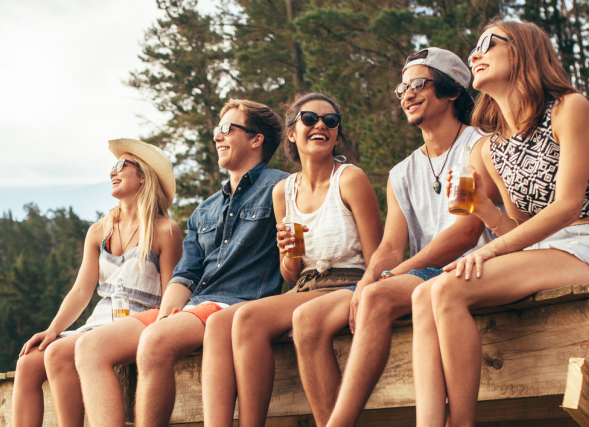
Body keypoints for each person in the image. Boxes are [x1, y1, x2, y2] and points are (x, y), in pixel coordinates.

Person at [412, 21, 589, 427]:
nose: (476, 54)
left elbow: (566, 207)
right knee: (425, 295)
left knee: (447, 288)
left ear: (525, 51)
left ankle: (461, 422)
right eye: (474, 47)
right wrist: (483, 210)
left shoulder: (569, 108)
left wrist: (487, 249)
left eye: (489, 44)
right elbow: (520, 230)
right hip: (544, 252)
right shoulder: (489, 149)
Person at [290, 48, 500, 427]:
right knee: (357, 297)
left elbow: (467, 231)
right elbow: (388, 246)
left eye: (418, 83)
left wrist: (392, 276)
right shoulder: (402, 172)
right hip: (423, 280)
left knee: (378, 294)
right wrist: (369, 278)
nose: (406, 93)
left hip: (476, 267)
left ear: (452, 91)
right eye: (401, 87)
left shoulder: (478, 146)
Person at [74, 99, 288, 427]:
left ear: (256, 139)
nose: (218, 135)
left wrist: (161, 329)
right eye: (217, 129)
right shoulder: (205, 210)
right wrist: (163, 318)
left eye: (228, 128)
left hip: (238, 305)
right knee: (91, 346)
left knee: (154, 341)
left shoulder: (281, 188)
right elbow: (184, 275)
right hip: (194, 306)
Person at [200, 93, 382, 427]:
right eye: (310, 119)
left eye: (331, 121)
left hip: (348, 284)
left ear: (337, 134)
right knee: (228, 321)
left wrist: (366, 295)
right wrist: (289, 252)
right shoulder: (284, 191)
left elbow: (378, 258)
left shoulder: (350, 179)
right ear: (292, 133)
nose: (321, 126)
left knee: (289, 318)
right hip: (305, 286)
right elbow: (290, 273)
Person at [10, 138, 182, 427]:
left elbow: (172, 291)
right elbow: (80, 291)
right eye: (111, 167)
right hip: (99, 322)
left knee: (59, 352)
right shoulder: (99, 231)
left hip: (144, 320)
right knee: (28, 362)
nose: (112, 172)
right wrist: (53, 329)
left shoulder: (165, 230)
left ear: (143, 176)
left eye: (121, 165)